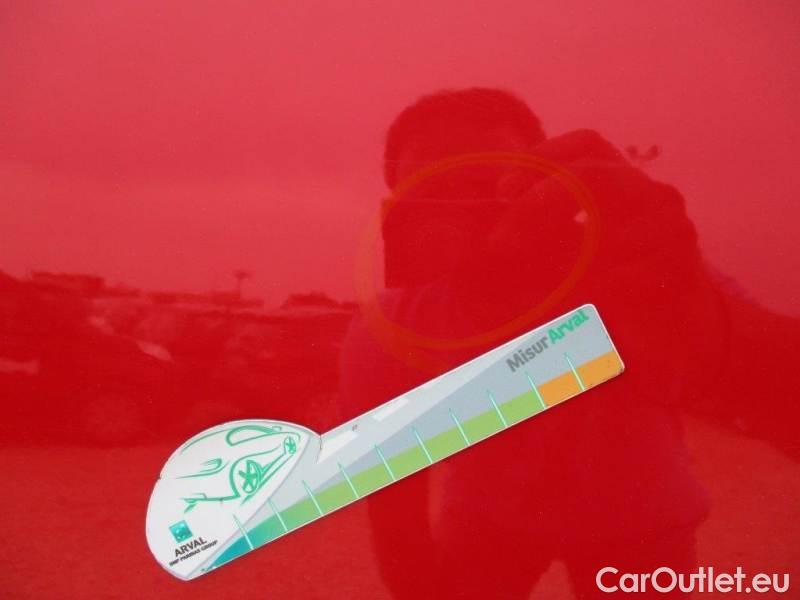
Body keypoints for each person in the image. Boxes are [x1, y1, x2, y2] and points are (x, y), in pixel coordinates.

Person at [339, 87, 796, 598]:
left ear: (545, 178)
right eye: (435, 197)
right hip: (533, 515)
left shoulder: (637, 277)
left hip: (624, 515)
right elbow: (397, 523)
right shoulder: (393, 325)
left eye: (487, 187)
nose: (466, 216)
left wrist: (713, 334)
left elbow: (396, 522)